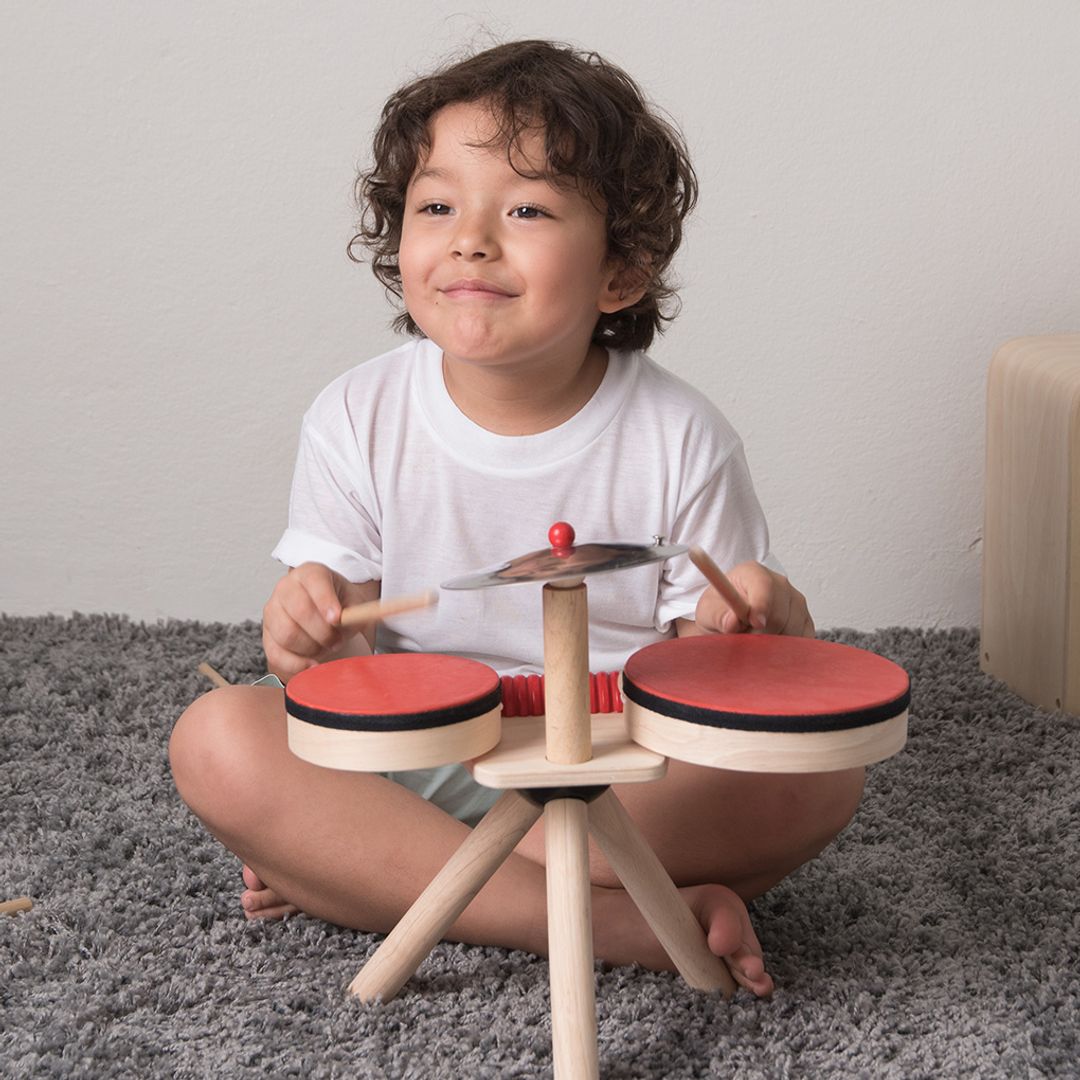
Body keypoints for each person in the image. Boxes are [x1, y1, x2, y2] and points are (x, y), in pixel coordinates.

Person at [169, 40, 862, 999]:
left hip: (627, 769)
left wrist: (758, 622)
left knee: (820, 771)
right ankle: (627, 925)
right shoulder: (355, 416)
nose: (471, 238)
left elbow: (728, 688)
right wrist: (305, 627)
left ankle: (383, 877)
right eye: (437, 205)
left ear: (620, 270)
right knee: (218, 738)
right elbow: (343, 680)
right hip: (431, 754)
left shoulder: (684, 435)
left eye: (527, 208)